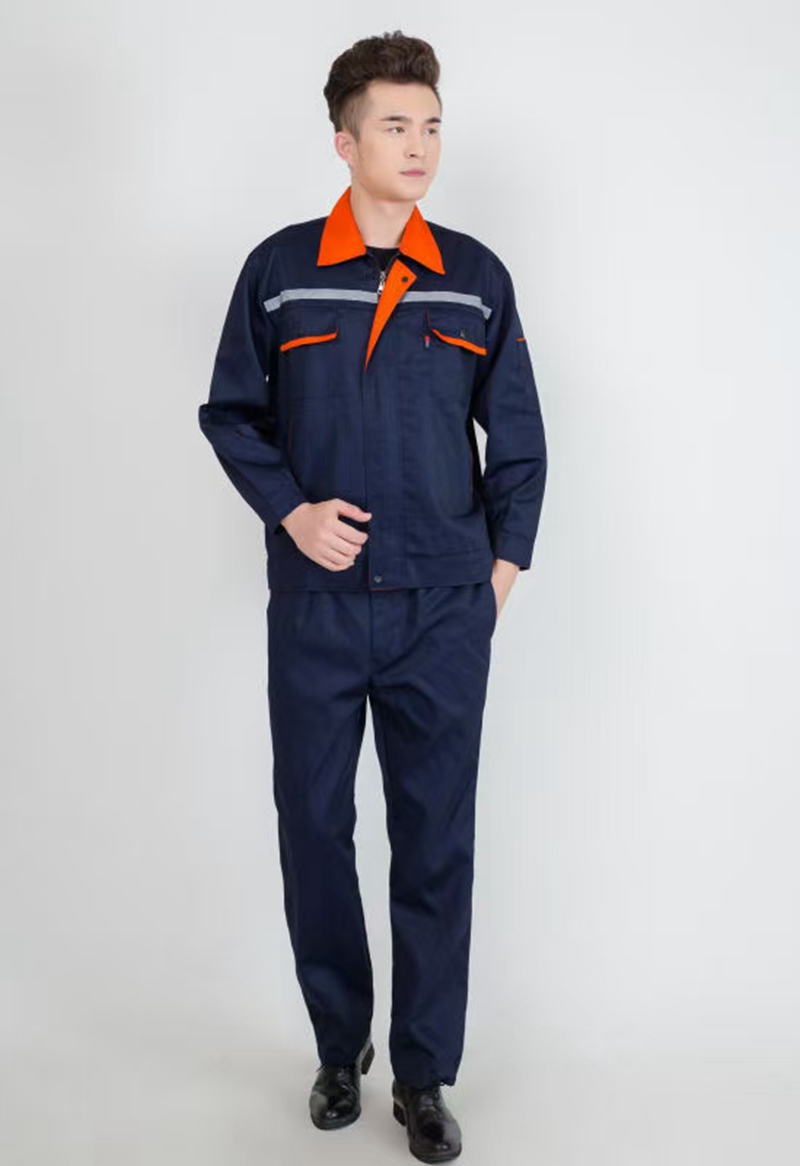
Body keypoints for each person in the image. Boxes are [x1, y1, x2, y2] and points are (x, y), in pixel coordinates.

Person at [198, 30, 547, 1164]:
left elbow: (520, 440)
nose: (419, 145)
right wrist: (291, 513)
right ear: (344, 142)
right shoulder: (283, 269)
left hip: (443, 608)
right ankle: (337, 1047)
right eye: (395, 125)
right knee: (313, 827)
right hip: (316, 600)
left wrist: (497, 573)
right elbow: (230, 413)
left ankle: (424, 1074)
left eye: (431, 124)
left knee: (435, 840)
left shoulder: (474, 277)